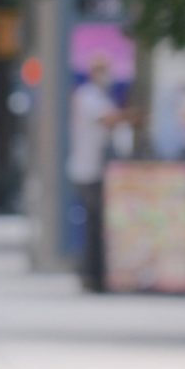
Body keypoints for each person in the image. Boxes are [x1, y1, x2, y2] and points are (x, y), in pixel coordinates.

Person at [67, 67, 129, 291]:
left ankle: (96, 273)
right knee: (94, 226)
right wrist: (132, 115)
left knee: (98, 226)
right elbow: (108, 119)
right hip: (88, 170)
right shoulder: (88, 96)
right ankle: (91, 275)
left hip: (95, 170)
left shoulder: (99, 97)